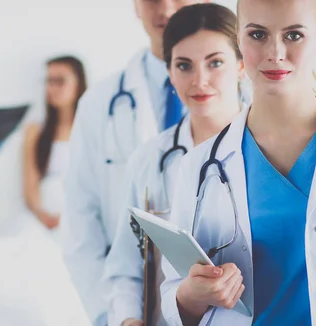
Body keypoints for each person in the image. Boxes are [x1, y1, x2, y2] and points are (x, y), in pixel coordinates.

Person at [160, 0, 316, 325]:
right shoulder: (200, 165)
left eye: (293, 35)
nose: (275, 52)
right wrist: (192, 294)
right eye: (258, 34)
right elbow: (175, 295)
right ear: (239, 43)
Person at [59, 1, 204, 324]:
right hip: (129, 304)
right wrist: (106, 312)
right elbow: (80, 216)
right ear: (136, 6)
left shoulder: (247, 102)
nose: (166, 8)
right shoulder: (99, 102)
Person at [104, 4, 247, 326]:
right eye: (184, 65)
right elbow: (124, 268)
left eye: (216, 63)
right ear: (169, 71)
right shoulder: (150, 159)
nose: (200, 80)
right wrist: (128, 320)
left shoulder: (269, 150)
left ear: (241, 64)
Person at [22, 56, 86, 237]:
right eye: (48, 81)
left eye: (59, 81)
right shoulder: (35, 130)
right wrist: (42, 216)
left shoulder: (90, 129)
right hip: (43, 220)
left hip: (78, 218)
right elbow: (30, 184)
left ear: (78, 83)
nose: (51, 88)